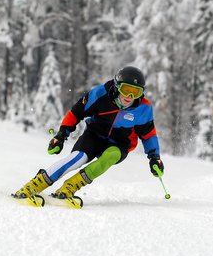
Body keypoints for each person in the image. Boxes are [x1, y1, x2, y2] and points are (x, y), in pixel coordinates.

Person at [12, 66, 163, 207]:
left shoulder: (143, 108)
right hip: (94, 136)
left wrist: (154, 157)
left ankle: (68, 188)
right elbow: (76, 113)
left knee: (110, 156)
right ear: (117, 86)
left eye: (135, 92)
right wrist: (61, 136)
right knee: (79, 158)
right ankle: (32, 186)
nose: (129, 96)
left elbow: (148, 134)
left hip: (120, 144)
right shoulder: (100, 94)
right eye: (126, 89)